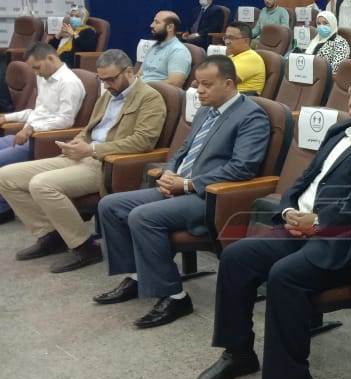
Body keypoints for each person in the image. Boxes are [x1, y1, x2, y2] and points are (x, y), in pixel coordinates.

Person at [196, 68, 351, 379]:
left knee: (285, 275)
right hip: (299, 228)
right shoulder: (339, 130)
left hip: (342, 241)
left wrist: (319, 221)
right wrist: (288, 209)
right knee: (237, 256)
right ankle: (238, 353)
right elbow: (307, 178)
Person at [94, 56, 270, 328]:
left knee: (142, 216)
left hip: (210, 196)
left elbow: (242, 168)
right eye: (197, 84)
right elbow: (184, 150)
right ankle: (138, 275)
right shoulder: (205, 111)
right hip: (180, 185)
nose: (199, 90)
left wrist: (188, 184)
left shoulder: (251, 116)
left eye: (207, 85)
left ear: (229, 84)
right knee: (110, 205)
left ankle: (175, 296)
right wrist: (170, 172)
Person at [0, 50, 166, 273]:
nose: (106, 85)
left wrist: (92, 149)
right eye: (102, 79)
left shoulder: (150, 98)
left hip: (107, 164)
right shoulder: (109, 94)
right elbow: (89, 129)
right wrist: (77, 142)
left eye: (111, 79)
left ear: (129, 72)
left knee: (41, 184)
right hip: (81, 155)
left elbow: (143, 141)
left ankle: (85, 247)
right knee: (6, 177)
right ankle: (52, 235)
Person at [0, 42, 86, 224]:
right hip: (29, 135)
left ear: (51, 58)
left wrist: (32, 128)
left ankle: (3, 209)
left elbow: (65, 120)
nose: (36, 73)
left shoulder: (69, 82)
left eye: (37, 67)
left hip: (45, 142)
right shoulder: (44, 77)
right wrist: (6, 117)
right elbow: (37, 112)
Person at [140, 11, 192, 86]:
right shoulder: (154, 47)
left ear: (170, 27)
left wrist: (144, 87)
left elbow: (175, 83)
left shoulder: (179, 51)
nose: (151, 25)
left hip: (155, 91)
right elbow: (140, 74)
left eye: (157, 22)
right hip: (140, 89)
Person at [223, 22, 266, 94]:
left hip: (242, 98)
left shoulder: (251, 58)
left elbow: (224, 80)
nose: (227, 42)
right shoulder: (232, 56)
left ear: (246, 41)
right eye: (226, 37)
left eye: (231, 38)